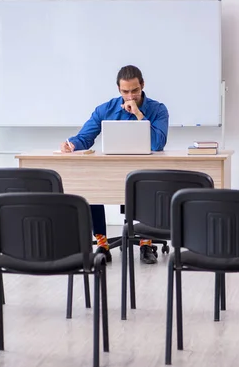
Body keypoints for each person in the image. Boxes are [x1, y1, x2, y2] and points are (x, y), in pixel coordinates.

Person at [61, 65, 169, 264]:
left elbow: (157, 143)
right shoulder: (106, 109)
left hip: (144, 172)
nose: (130, 96)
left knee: (148, 184)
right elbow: (85, 137)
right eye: (125, 91)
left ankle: (146, 242)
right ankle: (102, 242)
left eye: (135, 91)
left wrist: (138, 114)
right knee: (91, 185)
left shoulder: (158, 110)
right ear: (119, 89)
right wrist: (72, 144)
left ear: (142, 85)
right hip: (112, 171)